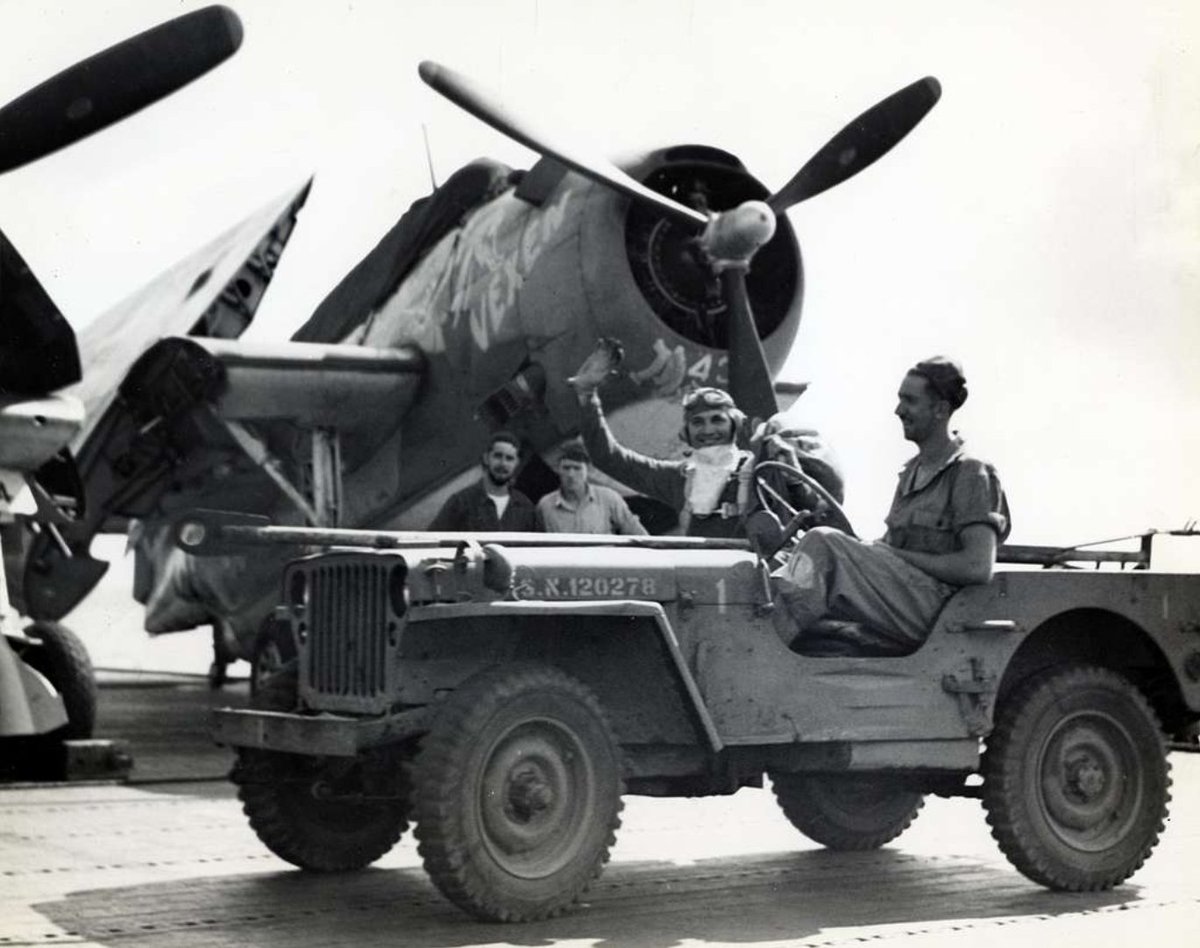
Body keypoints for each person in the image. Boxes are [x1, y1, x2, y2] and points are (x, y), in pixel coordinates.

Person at [771, 356, 1010, 652]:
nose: (899, 411)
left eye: (910, 401)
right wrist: (874, 550)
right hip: (904, 598)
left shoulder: (971, 471)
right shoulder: (911, 472)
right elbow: (890, 550)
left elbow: (977, 567)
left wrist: (892, 555)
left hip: (937, 611)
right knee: (782, 558)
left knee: (823, 543)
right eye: (900, 400)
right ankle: (778, 631)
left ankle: (766, 645)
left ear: (940, 410)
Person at [428, 430, 537, 531]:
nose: (503, 464)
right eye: (498, 456)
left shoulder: (526, 507)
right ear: (486, 458)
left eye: (509, 458)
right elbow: (434, 540)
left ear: (516, 463)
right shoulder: (461, 502)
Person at [535, 443, 648, 535]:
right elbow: (538, 545)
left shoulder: (608, 499)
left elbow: (638, 534)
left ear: (587, 471)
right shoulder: (545, 506)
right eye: (566, 468)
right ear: (558, 470)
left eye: (577, 468)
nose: (571, 474)